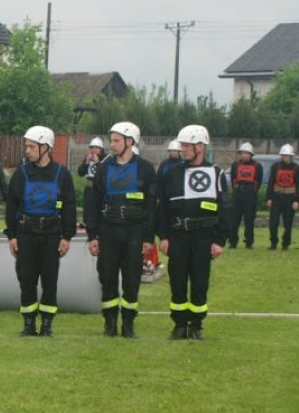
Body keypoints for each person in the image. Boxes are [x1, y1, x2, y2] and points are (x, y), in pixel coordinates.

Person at [156, 124, 231, 340]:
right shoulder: (172, 172)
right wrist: (164, 236)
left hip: (203, 237)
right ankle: (179, 324)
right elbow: (163, 207)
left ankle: (196, 324)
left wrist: (219, 240)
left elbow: (224, 208)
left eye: (186, 145)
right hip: (178, 236)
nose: (182, 149)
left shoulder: (215, 173)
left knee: (200, 282)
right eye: (181, 145)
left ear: (200, 146)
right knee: (177, 281)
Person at [85, 122, 157, 338]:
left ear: (130, 141)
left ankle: (128, 323)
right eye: (111, 140)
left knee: (132, 278)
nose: (112, 144)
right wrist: (92, 235)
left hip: (134, 230)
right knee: (106, 276)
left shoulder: (145, 168)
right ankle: (109, 322)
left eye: (116, 140)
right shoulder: (104, 168)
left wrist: (148, 237)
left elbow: (152, 206)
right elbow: (93, 203)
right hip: (108, 229)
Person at [5, 126, 77, 337]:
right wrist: (12, 236)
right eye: (27, 146)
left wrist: (66, 236)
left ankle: (47, 325)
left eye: (31, 146)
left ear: (45, 147)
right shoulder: (21, 173)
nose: (27, 150)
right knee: (26, 279)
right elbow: (11, 205)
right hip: (26, 232)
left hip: (51, 233)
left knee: (49, 280)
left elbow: (70, 207)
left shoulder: (62, 174)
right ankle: (29, 324)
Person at [228, 142, 263, 249]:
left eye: (246, 153)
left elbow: (259, 181)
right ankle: (232, 242)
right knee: (234, 220)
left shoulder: (257, 166)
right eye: (242, 153)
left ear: (251, 154)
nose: (244, 155)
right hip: (238, 195)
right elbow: (233, 179)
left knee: (249, 220)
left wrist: (252, 191)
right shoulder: (235, 165)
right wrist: (237, 191)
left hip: (250, 196)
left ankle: (249, 242)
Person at [266, 144, 298, 251]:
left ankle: (285, 244)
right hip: (277, 197)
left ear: (291, 156)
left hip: (290, 198)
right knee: (273, 222)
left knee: (288, 223)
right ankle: (273, 243)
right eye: (283, 155)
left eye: (287, 156)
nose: (285, 157)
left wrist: (296, 200)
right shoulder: (275, 167)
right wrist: (269, 198)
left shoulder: (296, 168)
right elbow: (271, 182)